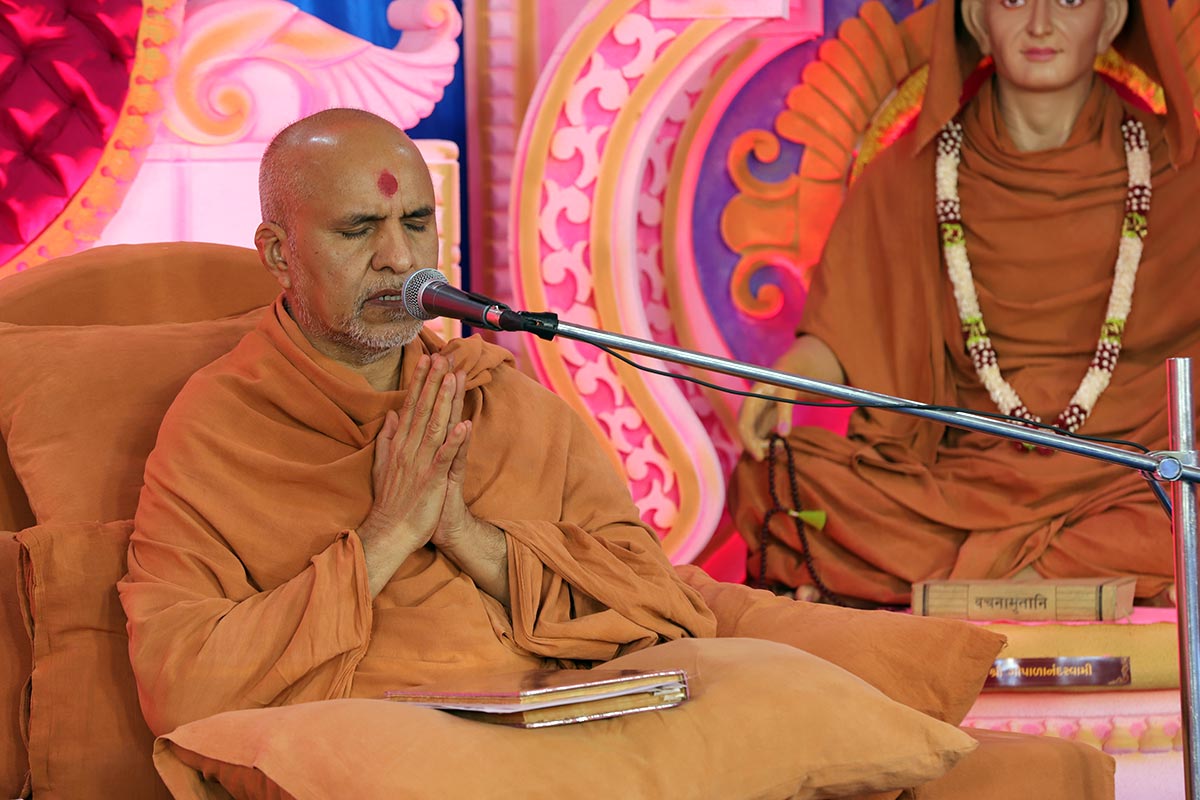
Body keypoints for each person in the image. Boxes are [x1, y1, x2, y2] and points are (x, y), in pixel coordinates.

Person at [117, 108, 716, 737]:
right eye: (357, 230)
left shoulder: (497, 399)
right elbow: (183, 684)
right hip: (367, 744)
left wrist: (466, 536)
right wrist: (389, 534)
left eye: (416, 223)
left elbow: (663, 605)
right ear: (278, 253)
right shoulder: (218, 427)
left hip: (554, 721)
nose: (399, 259)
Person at [729, 0, 1200, 605]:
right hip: (954, 486)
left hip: (1127, 478)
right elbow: (848, 328)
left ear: (1111, 21)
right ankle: (1054, 581)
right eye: (1012, 1)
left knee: (1182, 507)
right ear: (976, 20)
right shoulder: (912, 175)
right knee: (776, 478)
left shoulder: (1180, 175)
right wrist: (789, 377)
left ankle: (948, 586)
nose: (1039, 24)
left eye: (1069, 1)